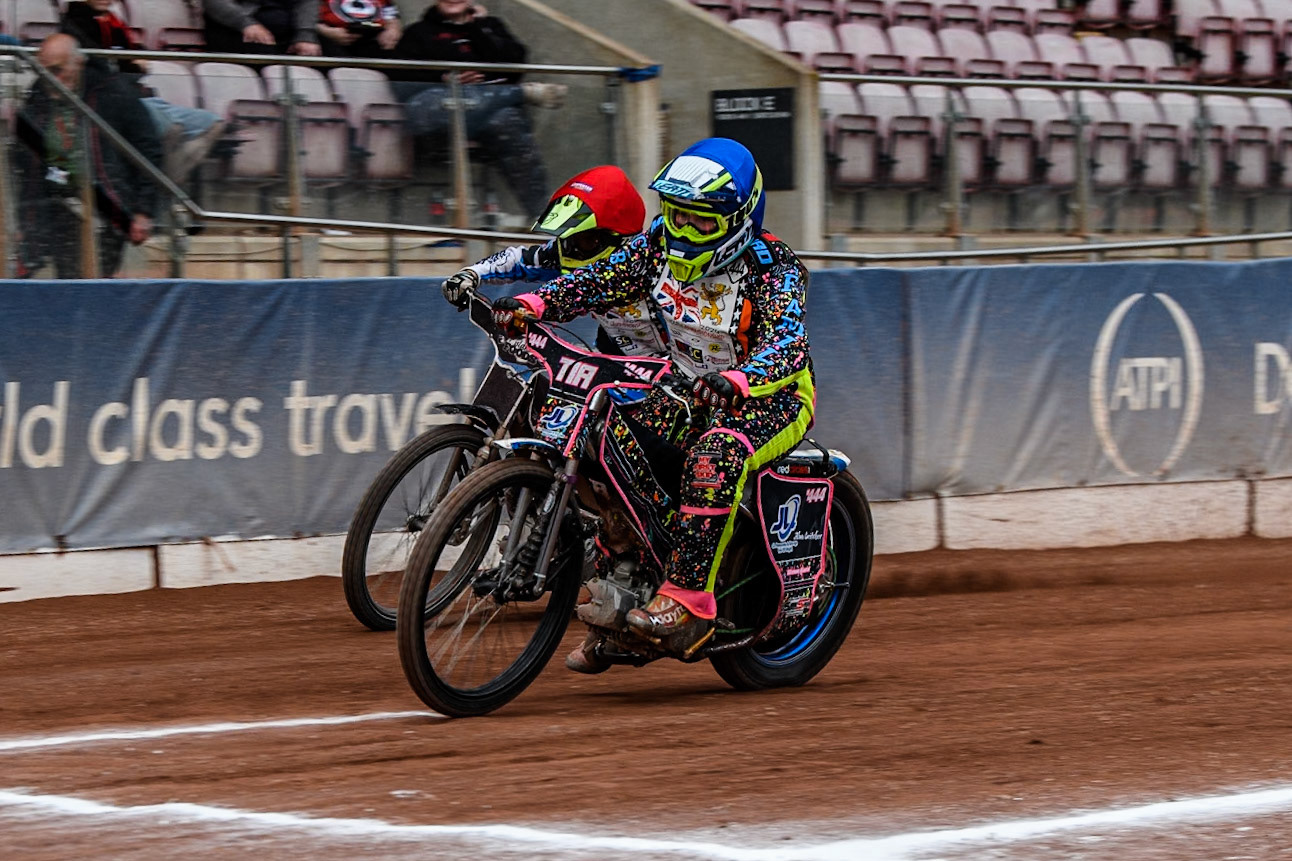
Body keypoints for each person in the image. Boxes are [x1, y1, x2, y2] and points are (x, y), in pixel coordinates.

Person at [490, 138, 813, 673]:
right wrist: (534, 303)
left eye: (701, 223)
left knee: (716, 455)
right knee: (600, 425)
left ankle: (690, 603)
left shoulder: (774, 268)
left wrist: (739, 379)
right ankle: (628, 581)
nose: (683, 231)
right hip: (685, 390)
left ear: (739, 218)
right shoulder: (658, 243)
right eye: (676, 214)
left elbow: (788, 345)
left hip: (767, 400)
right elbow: (601, 277)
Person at [441, 164, 665, 358]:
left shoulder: (648, 264)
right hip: (615, 353)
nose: (572, 249)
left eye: (585, 240)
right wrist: (471, 274)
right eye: (567, 239)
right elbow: (519, 259)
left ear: (618, 240)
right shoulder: (564, 252)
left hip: (675, 367)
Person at [13, 34, 162, 278]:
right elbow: (27, 164)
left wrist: (143, 211)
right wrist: (24, 222)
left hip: (106, 204)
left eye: (58, 70)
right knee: (66, 283)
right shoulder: (38, 96)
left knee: (93, 285)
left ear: (78, 63)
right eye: (44, 72)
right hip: (57, 204)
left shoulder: (114, 91)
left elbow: (148, 150)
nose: (51, 79)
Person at [394, 0, 549, 223]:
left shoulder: (490, 26)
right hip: (435, 120)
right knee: (433, 103)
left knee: (506, 120)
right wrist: (444, 79)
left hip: (484, 122)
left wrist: (480, 26)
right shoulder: (418, 32)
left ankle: (541, 217)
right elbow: (400, 79)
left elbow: (516, 64)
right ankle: (520, 94)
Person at [60, 0, 226, 184]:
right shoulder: (75, 24)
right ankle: (163, 188)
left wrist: (136, 63)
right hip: (112, 102)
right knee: (170, 128)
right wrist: (134, 64)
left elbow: (131, 59)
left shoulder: (114, 23)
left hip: (139, 95)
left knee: (212, 123)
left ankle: (167, 181)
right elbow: (100, 67)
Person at [201, 0, 322, 56]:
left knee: (326, 49)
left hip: (287, 33)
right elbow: (215, 3)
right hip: (236, 30)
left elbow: (307, 3)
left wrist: (305, 34)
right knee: (262, 51)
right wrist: (246, 24)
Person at [316, 0, 402, 58]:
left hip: (373, 37)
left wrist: (392, 29)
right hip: (331, 36)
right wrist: (326, 31)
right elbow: (307, 18)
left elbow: (391, 14)